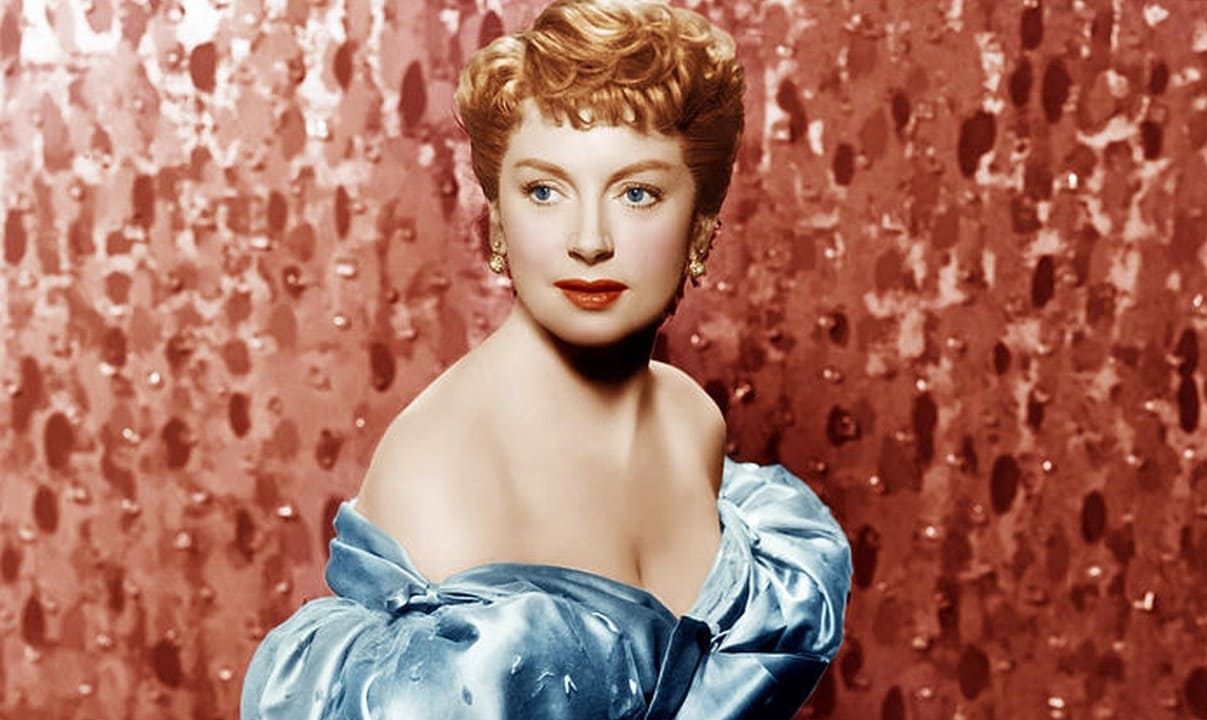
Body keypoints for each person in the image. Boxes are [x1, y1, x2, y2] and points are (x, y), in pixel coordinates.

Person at [240, 1, 852, 717]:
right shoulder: (445, 476)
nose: (588, 241)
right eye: (544, 191)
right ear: (499, 221)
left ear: (700, 226)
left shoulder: (691, 419)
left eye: (636, 193)